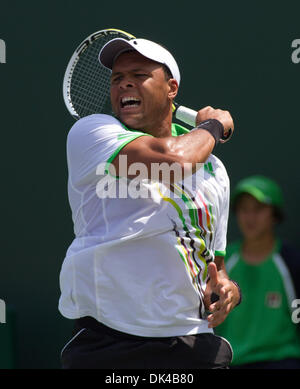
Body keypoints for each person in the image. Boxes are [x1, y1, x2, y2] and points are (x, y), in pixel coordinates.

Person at [58, 36, 241, 369]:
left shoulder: (215, 171)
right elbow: (172, 162)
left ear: (171, 88)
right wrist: (213, 126)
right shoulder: (91, 133)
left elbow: (217, 265)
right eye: (117, 78)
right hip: (109, 343)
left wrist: (229, 291)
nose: (124, 82)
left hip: (192, 344)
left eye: (139, 75)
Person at [216, 175, 300, 369]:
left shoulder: (290, 262)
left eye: (259, 209)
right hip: (230, 363)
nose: (250, 217)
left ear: (274, 215)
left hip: (282, 363)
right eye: (243, 210)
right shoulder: (223, 261)